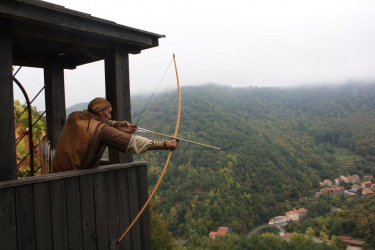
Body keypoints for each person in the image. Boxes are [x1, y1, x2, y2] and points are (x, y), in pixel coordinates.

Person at [53, 97, 178, 172]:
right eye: (109, 112)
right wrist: (165, 144)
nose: (110, 116)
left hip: (56, 173)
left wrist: (116, 125)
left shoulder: (74, 116)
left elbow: (92, 120)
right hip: (72, 179)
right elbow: (131, 143)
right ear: (100, 112)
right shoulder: (101, 130)